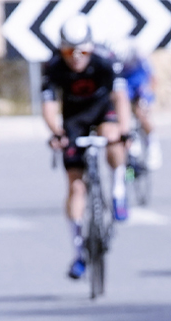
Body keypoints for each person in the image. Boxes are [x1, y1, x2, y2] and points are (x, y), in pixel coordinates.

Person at [41, 14, 131, 280]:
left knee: (113, 136)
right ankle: (79, 251)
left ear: (91, 47)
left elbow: (120, 97)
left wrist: (125, 129)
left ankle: (118, 188)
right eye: (69, 51)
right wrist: (56, 132)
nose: (76, 57)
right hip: (74, 120)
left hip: (103, 111)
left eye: (82, 51)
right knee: (76, 186)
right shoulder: (54, 66)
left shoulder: (105, 59)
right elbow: (49, 105)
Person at [111, 39, 162, 170]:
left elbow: (152, 78)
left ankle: (152, 143)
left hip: (139, 80)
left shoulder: (138, 52)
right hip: (123, 80)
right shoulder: (112, 56)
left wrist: (146, 95)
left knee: (141, 112)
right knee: (122, 110)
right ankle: (132, 140)